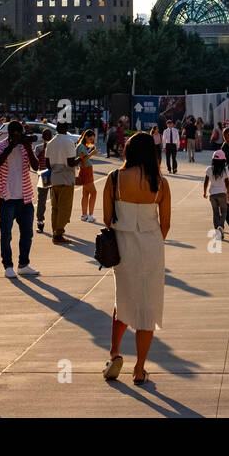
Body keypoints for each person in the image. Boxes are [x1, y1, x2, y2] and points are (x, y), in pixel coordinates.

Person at [102, 132, 171, 386]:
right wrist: (151, 239)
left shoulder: (114, 178)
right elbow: (166, 224)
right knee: (148, 307)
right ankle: (139, 369)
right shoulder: (161, 183)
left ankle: (114, 354)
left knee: (124, 300)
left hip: (123, 247)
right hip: (152, 247)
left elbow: (107, 219)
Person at [0, 121, 40, 278]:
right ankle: (8, 266)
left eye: (20, 133)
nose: (18, 136)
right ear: (9, 134)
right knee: (6, 234)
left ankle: (23, 264)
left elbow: (36, 166)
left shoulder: (26, 147)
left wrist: (27, 148)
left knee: (27, 233)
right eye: (15, 133)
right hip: (7, 197)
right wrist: (11, 146)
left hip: (25, 197)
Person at [46, 122, 79, 244]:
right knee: (64, 207)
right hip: (66, 178)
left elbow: (48, 164)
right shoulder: (69, 142)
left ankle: (55, 231)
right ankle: (58, 234)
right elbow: (71, 163)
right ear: (66, 129)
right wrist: (80, 159)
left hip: (54, 179)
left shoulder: (51, 143)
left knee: (55, 207)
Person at [203, 150, 229, 239]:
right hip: (222, 194)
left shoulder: (209, 169)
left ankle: (217, 231)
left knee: (215, 213)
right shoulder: (225, 170)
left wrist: (204, 192)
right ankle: (221, 226)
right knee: (224, 212)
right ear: (224, 161)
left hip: (213, 195)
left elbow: (206, 182)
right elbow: (227, 183)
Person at [76, 128, 99, 223]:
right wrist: (91, 153)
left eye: (92, 139)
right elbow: (83, 160)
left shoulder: (82, 145)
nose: (91, 141)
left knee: (85, 194)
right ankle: (90, 215)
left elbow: (90, 146)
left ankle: (84, 215)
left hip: (86, 170)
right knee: (93, 193)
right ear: (86, 137)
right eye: (90, 139)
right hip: (86, 171)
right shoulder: (81, 147)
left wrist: (91, 147)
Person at [34, 128, 54, 234]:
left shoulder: (55, 147)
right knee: (41, 200)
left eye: (48, 135)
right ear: (42, 137)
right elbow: (34, 162)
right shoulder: (39, 148)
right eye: (45, 135)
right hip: (43, 175)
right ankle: (40, 222)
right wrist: (43, 151)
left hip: (54, 175)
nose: (47, 137)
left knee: (55, 200)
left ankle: (56, 224)